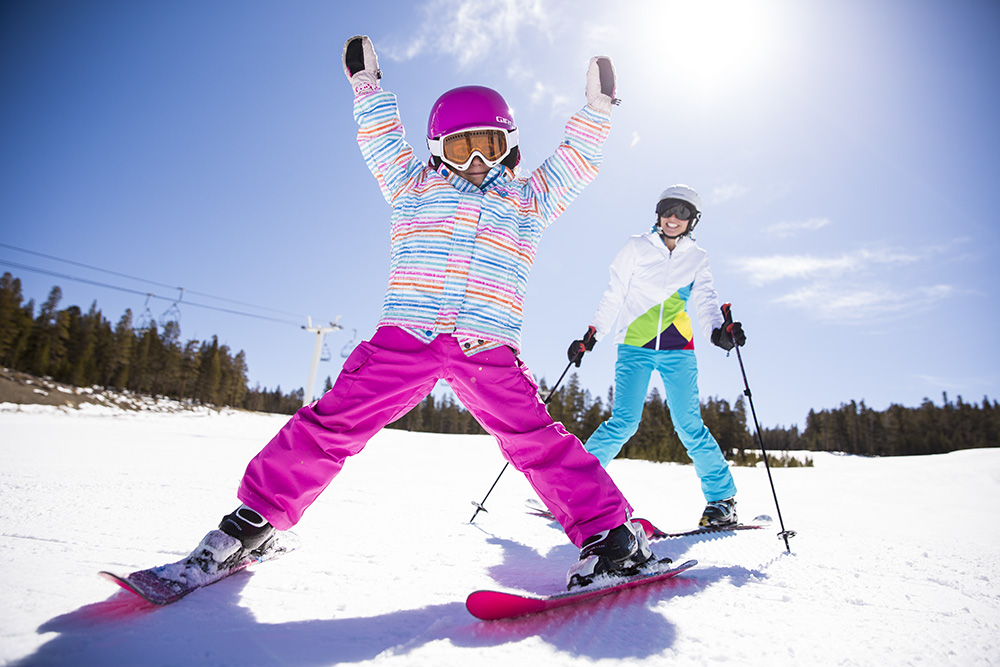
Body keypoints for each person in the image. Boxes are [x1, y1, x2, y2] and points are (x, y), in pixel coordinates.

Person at [185, 36, 655, 590]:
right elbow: (381, 140)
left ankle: (609, 535)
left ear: (509, 145)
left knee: (534, 439)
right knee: (332, 423)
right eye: (461, 149)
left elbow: (576, 163)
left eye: (488, 144)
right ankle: (253, 520)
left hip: (487, 346)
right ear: (438, 150)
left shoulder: (529, 200)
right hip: (404, 338)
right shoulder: (412, 186)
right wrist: (367, 88)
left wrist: (597, 112)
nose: (477, 160)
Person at [568, 185, 747, 527]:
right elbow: (614, 293)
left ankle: (722, 501)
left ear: (693, 219)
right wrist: (592, 335)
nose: (673, 219)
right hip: (634, 345)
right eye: (667, 210)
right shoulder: (636, 247)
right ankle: (574, 489)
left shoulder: (697, 257)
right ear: (658, 214)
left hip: (678, 348)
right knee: (623, 422)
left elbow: (706, 301)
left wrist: (718, 334)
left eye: (682, 213)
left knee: (689, 424)